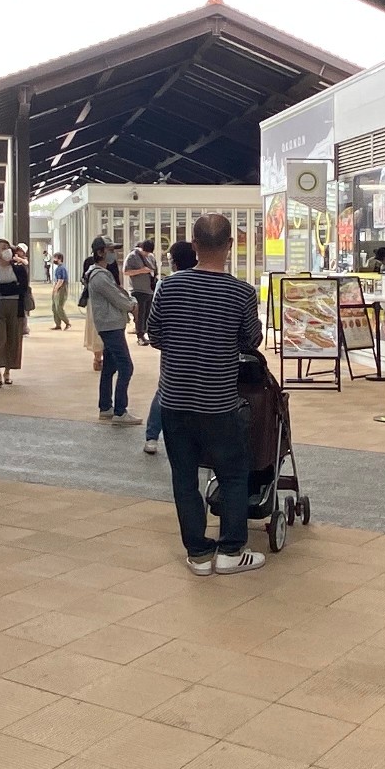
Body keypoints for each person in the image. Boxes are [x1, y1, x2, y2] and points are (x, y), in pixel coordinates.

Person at [148, 218, 265, 574]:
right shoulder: (242, 293)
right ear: (230, 245)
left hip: (174, 399)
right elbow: (251, 341)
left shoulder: (168, 288)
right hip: (219, 400)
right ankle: (230, 551)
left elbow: (153, 335)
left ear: (194, 244)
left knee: (184, 477)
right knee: (232, 473)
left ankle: (198, 553)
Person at [143, 241, 198, 457]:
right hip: (202, 351)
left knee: (165, 390)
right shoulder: (207, 280)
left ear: (174, 262)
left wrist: (163, 343)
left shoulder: (166, 285)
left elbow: (154, 325)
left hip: (173, 350)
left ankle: (152, 437)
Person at [84, 236, 139, 422]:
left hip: (110, 324)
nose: (113, 254)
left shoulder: (100, 274)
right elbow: (118, 298)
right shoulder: (99, 276)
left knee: (110, 366)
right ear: (100, 252)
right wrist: (132, 304)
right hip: (111, 325)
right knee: (126, 366)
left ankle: (106, 406)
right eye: (110, 250)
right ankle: (120, 411)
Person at [0, 237, 31, 387]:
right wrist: (11, 286)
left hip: (16, 306)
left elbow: (22, 287)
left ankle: (8, 371)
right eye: (3, 248)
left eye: (8, 247)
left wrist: (6, 287)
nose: (7, 250)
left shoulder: (19, 269)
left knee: (13, 339)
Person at [125, 239, 158, 343]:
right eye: (145, 252)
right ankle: (140, 335)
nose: (147, 254)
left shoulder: (151, 257)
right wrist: (141, 271)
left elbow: (154, 269)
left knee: (148, 314)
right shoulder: (132, 256)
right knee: (140, 314)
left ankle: (147, 333)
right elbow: (126, 272)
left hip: (149, 289)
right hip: (138, 289)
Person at [49, 253, 71, 329]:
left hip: (61, 289)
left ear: (60, 259)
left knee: (59, 307)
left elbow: (61, 280)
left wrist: (55, 289)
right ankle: (58, 324)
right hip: (58, 287)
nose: (54, 260)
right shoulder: (58, 268)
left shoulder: (61, 268)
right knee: (54, 307)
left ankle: (67, 322)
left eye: (55, 258)